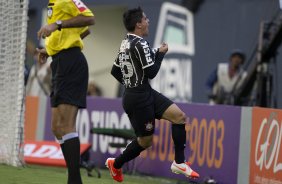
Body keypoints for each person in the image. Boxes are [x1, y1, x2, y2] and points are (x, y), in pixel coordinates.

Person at [107, 7, 199, 182]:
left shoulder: (126, 42)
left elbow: (115, 71)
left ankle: (179, 162)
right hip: (138, 99)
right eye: (145, 19)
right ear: (138, 24)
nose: (148, 21)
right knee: (145, 142)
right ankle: (116, 164)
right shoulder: (140, 43)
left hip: (142, 92)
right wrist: (161, 54)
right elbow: (152, 72)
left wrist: (131, 84)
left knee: (179, 116)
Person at [36, 0, 95, 183]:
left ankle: (74, 180)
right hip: (59, 63)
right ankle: (74, 178)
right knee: (56, 127)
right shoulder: (53, 2)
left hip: (71, 63)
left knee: (67, 125)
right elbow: (81, 32)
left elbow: (90, 20)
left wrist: (57, 24)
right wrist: (50, 49)